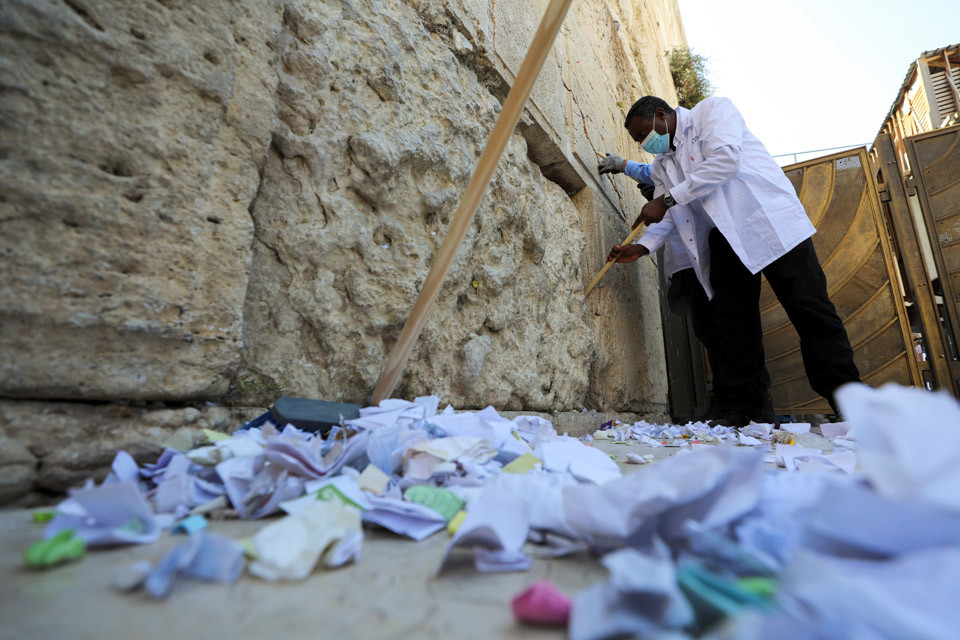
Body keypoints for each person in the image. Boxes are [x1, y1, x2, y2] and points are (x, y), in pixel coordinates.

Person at [606, 95, 860, 425]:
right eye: (639, 140)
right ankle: (749, 410)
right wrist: (642, 247)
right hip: (724, 237)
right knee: (735, 324)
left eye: (643, 134)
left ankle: (848, 401)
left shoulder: (711, 112)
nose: (645, 144)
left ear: (659, 115)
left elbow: (725, 161)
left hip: (767, 219)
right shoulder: (662, 166)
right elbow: (668, 215)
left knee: (809, 309)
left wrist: (667, 198)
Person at [598, 154, 732, 421]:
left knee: (726, 331)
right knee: (708, 331)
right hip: (687, 268)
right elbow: (662, 212)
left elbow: (652, 176)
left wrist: (624, 165)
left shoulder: (685, 170)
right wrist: (641, 246)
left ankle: (741, 404)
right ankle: (726, 402)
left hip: (713, 260)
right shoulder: (665, 185)